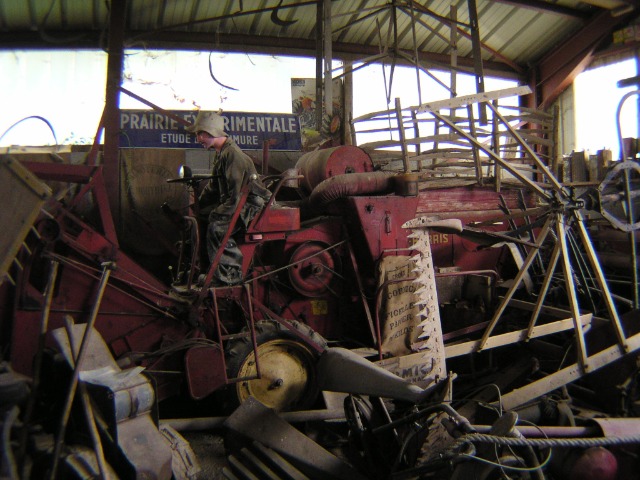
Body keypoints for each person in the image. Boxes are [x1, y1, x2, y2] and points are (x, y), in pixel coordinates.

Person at [187, 111, 271, 285]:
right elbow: (214, 186)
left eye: (200, 134)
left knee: (217, 227)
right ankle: (209, 270)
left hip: (251, 204)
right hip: (238, 201)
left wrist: (218, 213)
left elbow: (236, 196)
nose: (198, 139)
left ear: (211, 132)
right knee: (201, 218)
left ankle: (229, 276)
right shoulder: (222, 153)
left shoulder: (232, 154)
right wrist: (198, 205)